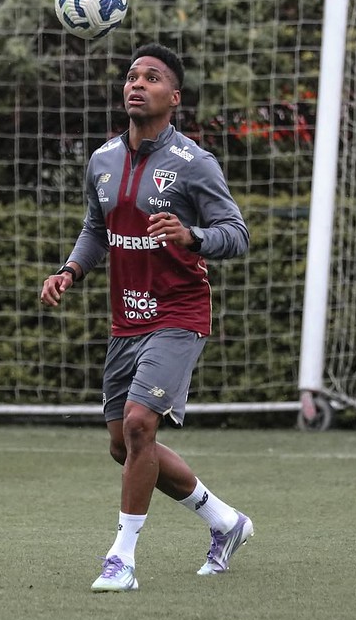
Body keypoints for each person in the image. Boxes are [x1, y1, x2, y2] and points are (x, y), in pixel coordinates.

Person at [40, 43, 253, 592]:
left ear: (173, 97)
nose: (137, 84)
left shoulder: (194, 164)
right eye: (132, 76)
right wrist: (70, 270)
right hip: (125, 321)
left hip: (180, 314)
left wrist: (192, 235)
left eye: (152, 78)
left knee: (139, 426)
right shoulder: (103, 160)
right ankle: (224, 522)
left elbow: (237, 234)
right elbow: (96, 228)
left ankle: (122, 560)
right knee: (125, 445)